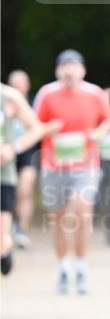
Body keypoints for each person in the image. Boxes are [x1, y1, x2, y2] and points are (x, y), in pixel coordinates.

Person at [34, 50, 110, 295]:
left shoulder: (94, 94)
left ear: (82, 70)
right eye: (64, 67)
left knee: (81, 213)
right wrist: (48, 128)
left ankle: (81, 267)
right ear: (58, 71)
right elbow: (34, 125)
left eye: (74, 66)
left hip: (86, 164)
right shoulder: (47, 94)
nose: (69, 71)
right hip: (53, 164)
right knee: (59, 219)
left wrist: (99, 133)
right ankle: (63, 268)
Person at [1, 83, 60, 275]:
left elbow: (36, 128)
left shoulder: (9, 97)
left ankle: (5, 249)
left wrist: (12, 148)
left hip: (3, 175)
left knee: (2, 237)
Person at [7, 69, 40, 248]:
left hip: (29, 153)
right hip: (7, 153)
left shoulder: (35, 102)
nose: (18, 88)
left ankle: (22, 230)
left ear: (27, 85)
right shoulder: (4, 103)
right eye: (14, 84)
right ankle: (8, 224)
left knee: (25, 190)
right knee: (8, 192)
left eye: (21, 84)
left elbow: (41, 127)